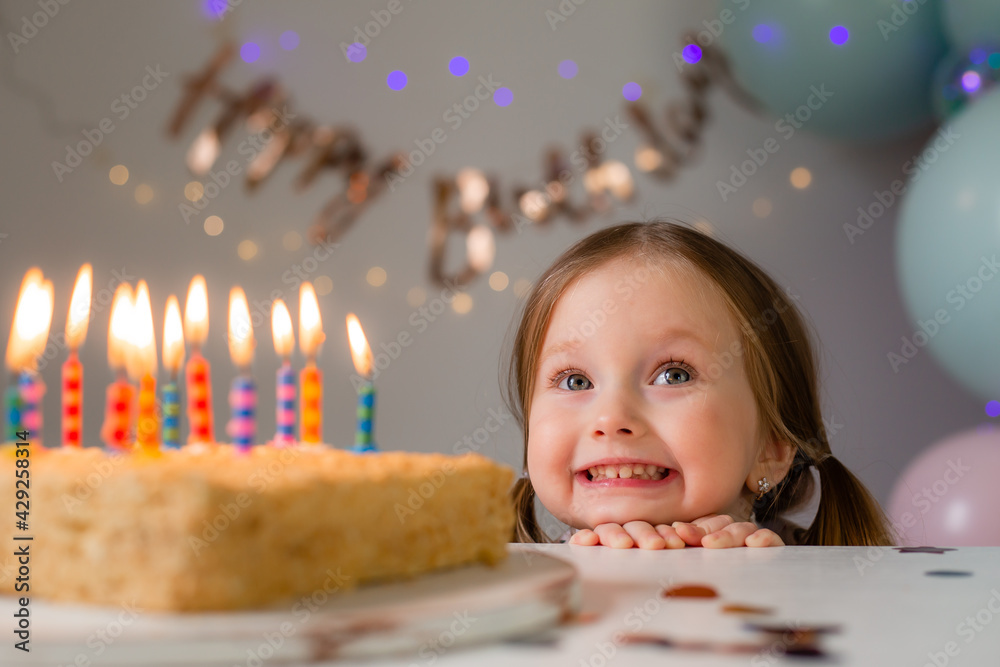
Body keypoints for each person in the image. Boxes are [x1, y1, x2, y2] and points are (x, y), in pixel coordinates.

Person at [503, 221, 893, 548]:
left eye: (674, 375)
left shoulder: (822, 587)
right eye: (575, 381)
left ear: (771, 448)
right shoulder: (502, 586)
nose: (612, 417)